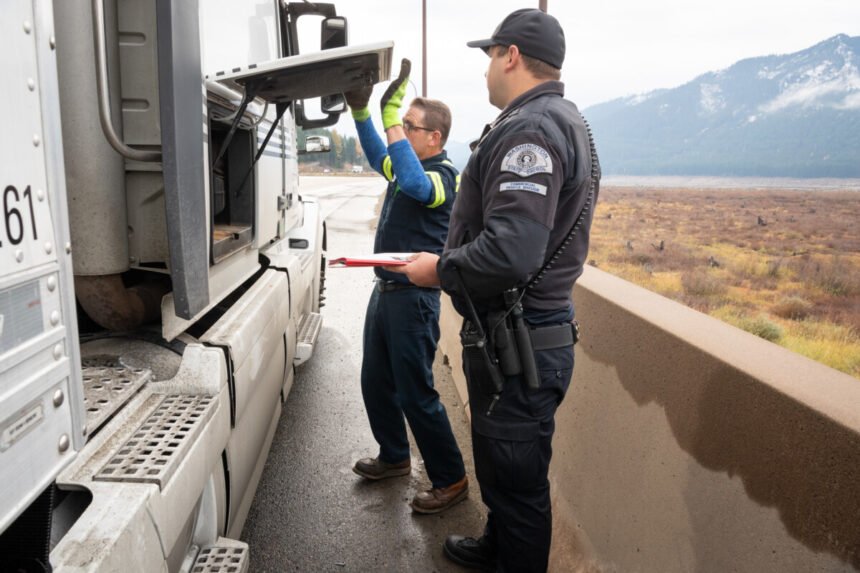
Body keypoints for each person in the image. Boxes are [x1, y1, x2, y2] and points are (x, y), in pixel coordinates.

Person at [387, 9, 600, 572]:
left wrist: (440, 269)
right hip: (520, 337)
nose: (484, 71)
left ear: (511, 56)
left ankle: (510, 555)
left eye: (489, 56)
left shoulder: (532, 130)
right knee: (504, 473)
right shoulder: (557, 118)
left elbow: (512, 252)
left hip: (521, 342)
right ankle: (496, 549)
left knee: (518, 483)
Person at [344, 59, 469, 514]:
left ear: (434, 137)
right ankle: (394, 455)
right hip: (385, 294)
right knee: (375, 381)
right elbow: (379, 154)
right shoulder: (404, 164)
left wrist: (389, 114)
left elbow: (417, 186)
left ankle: (451, 479)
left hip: (414, 300)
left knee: (416, 392)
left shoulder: (442, 175)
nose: (399, 131)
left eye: (408, 126)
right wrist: (362, 112)